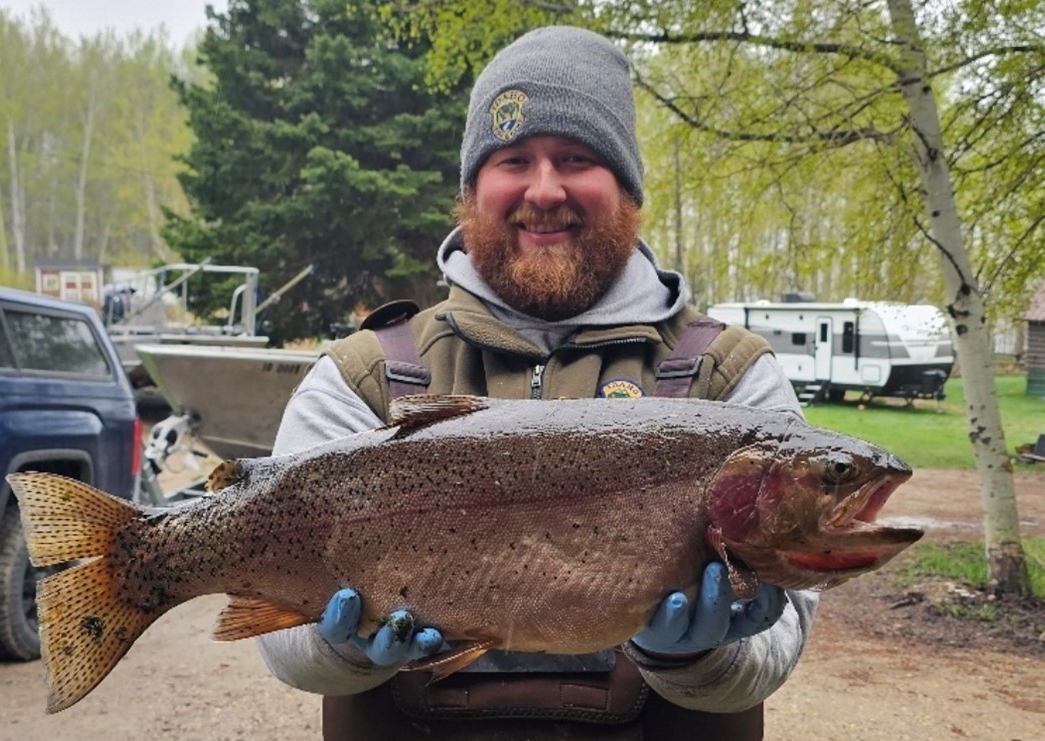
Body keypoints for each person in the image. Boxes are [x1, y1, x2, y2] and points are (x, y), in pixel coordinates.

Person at [257, 25, 817, 740]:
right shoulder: (362, 375)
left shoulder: (729, 375)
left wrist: (703, 658)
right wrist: (336, 647)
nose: (544, 189)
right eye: (513, 158)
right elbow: (279, 644)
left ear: (625, 188)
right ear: (471, 191)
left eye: (578, 158)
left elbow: (778, 644)